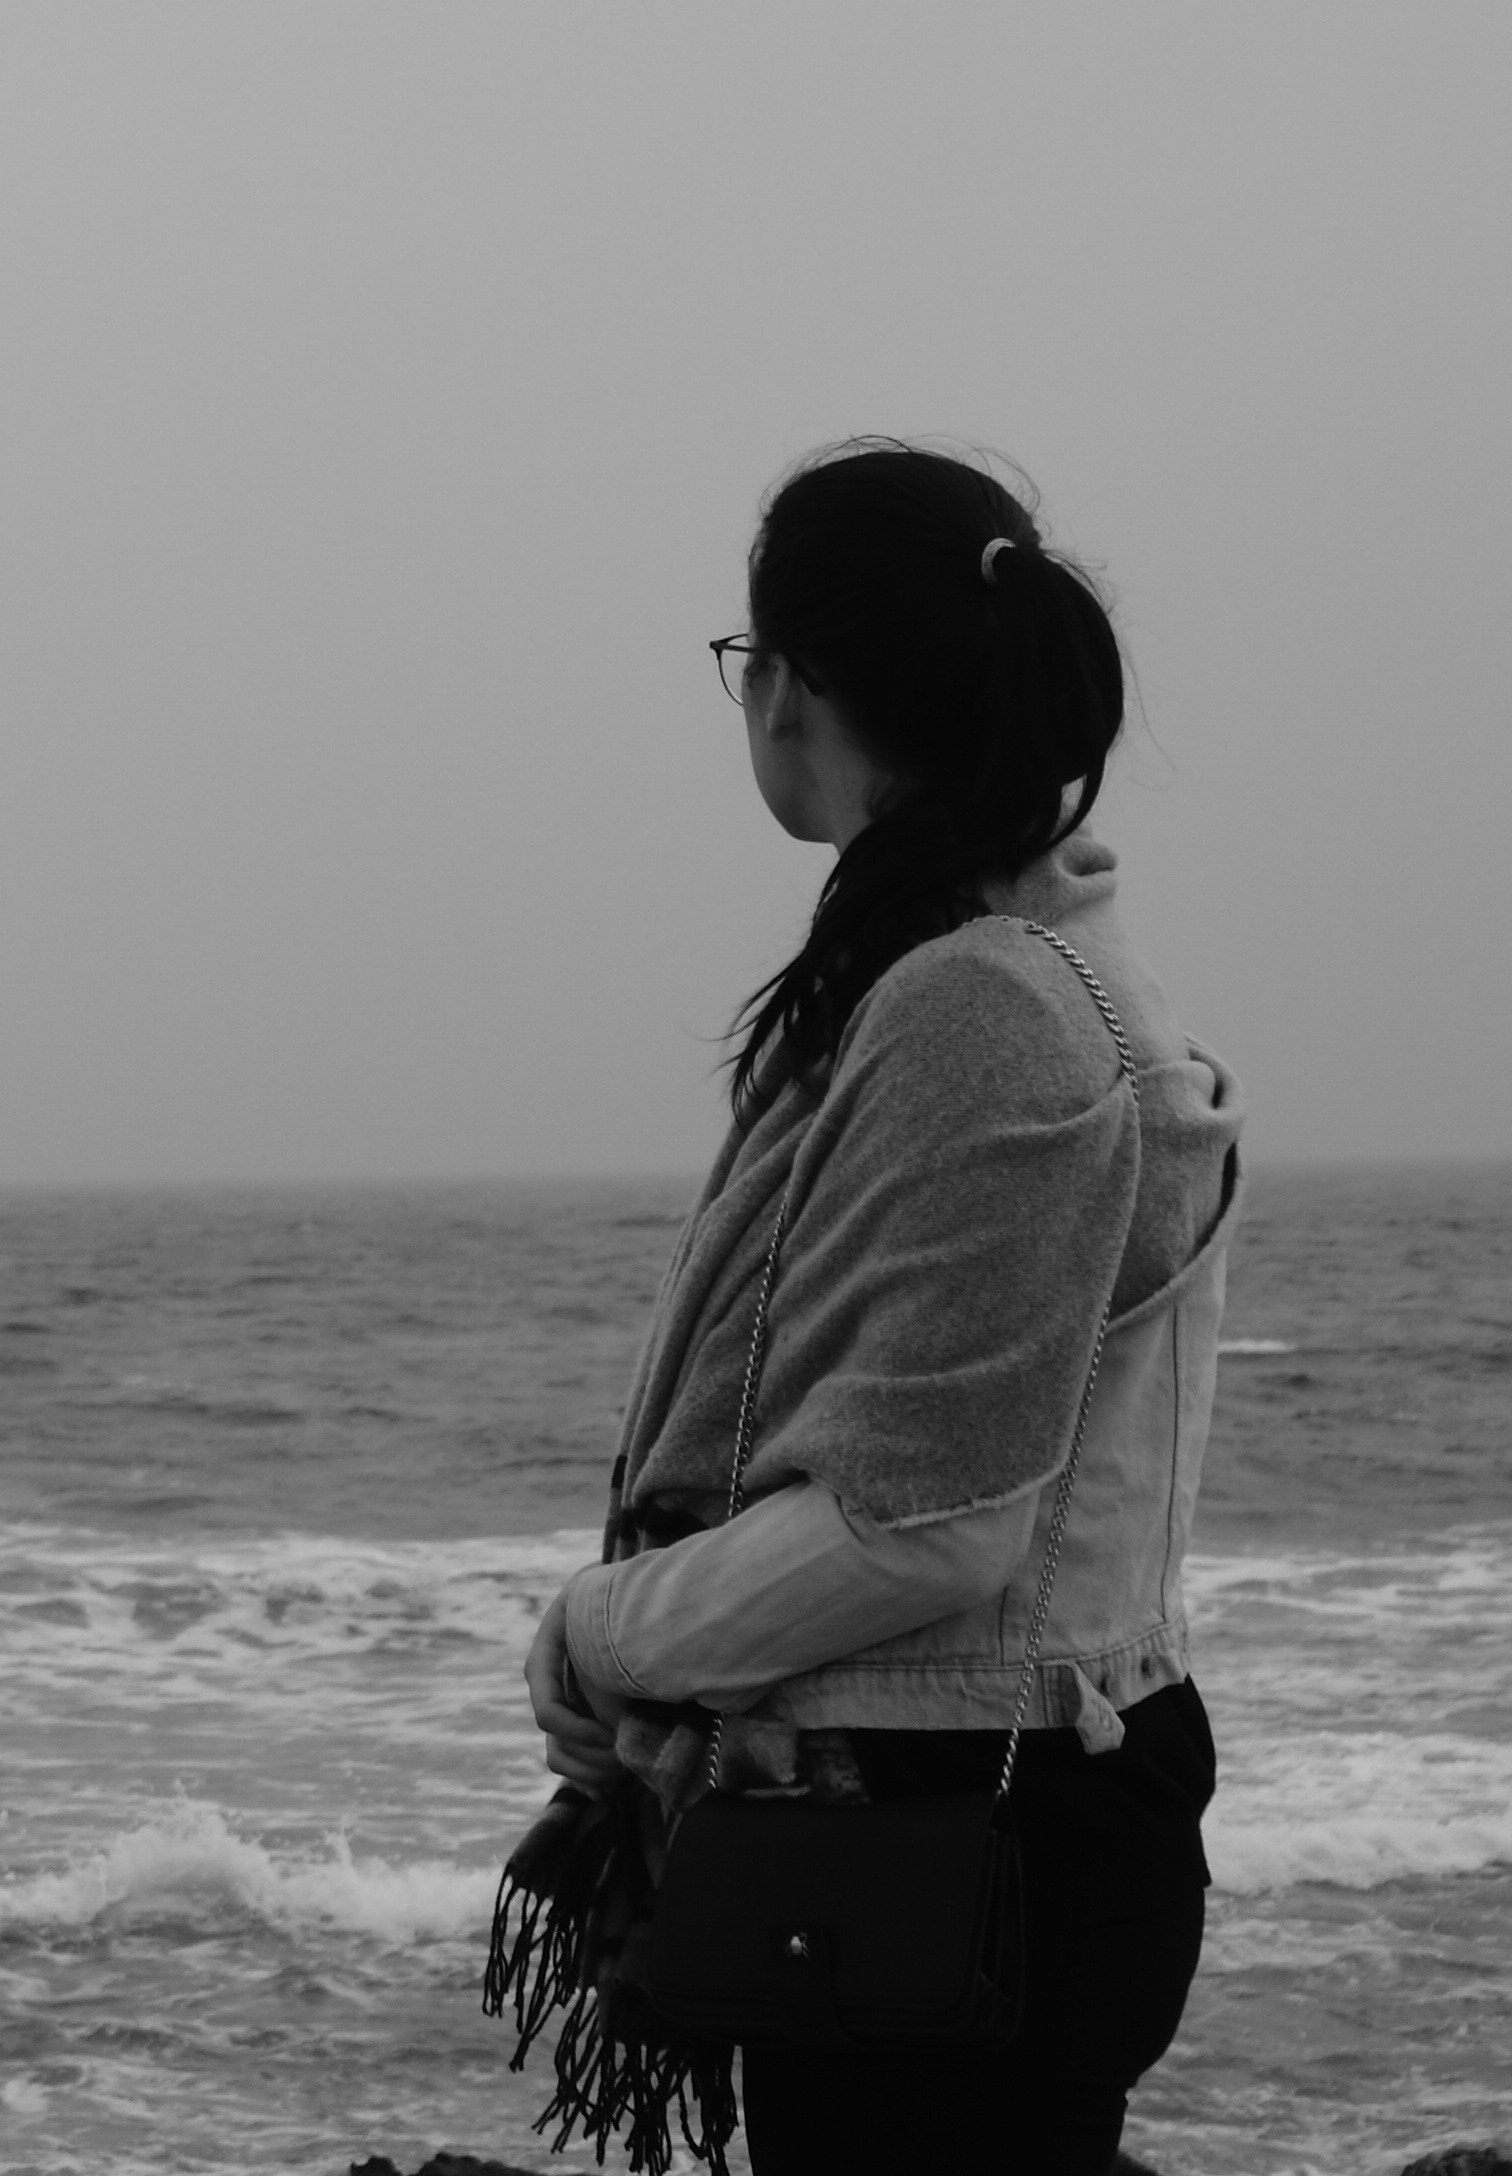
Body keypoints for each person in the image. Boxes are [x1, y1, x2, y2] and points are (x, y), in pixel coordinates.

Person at [518, 440, 1245, 2173]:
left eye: (745, 659)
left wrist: (603, 1632)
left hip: (961, 1843)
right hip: (980, 1827)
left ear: (789, 687)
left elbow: (920, 1524)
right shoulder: (972, 971)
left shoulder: (984, 1007)